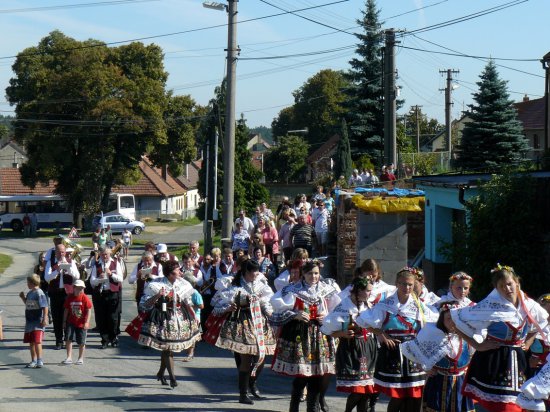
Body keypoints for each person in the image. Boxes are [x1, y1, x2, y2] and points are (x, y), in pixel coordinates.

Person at [450, 264, 550, 412]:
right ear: (496, 288)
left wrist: (528, 342)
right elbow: (456, 320)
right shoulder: (490, 306)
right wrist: (477, 345)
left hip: (519, 361)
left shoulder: (529, 305)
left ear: (517, 282)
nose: (507, 289)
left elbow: (540, 323)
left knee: (521, 404)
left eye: (509, 284)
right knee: (503, 407)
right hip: (495, 361)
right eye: (502, 286)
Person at [356, 267, 438, 412]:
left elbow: (434, 324)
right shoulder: (386, 305)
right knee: (398, 396)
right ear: (396, 284)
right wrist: (381, 333)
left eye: (410, 285)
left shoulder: (419, 306)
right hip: (394, 353)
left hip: (414, 355)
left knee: (415, 396)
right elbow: (363, 321)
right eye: (403, 284)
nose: (407, 287)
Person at [271, 259, 341, 412]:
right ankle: (294, 406)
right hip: (300, 334)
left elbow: (338, 308)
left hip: (320, 334)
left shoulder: (327, 289)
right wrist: (295, 314)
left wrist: (327, 316)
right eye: (310, 273)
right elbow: (277, 306)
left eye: (316, 273)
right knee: (302, 374)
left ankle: (313, 407)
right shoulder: (293, 289)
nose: (314, 277)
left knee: (317, 374)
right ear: (303, 274)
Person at [208, 259, 276, 405]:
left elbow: (267, 303)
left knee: (261, 356)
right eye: (253, 271)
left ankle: (252, 383)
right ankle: (243, 393)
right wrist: (229, 308)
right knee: (246, 358)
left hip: (259, 321)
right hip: (242, 322)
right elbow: (216, 307)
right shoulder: (233, 286)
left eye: (257, 271)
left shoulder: (261, 285)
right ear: (246, 272)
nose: (256, 274)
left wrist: (271, 314)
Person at [126, 261, 201, 388]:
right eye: (178, 270)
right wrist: (157, 296)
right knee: (167, 348)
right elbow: (143, 304)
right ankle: (172, 377)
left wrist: (194, 316)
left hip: (179, 318)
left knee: (167, 348)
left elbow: (187, 302)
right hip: (163, 319)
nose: (180, 272)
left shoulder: (183, 284)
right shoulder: (155, 284)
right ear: (171, 273)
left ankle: (161, 373)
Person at [401, 303, 476, 412]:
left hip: (460, 384)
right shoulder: (432, 335)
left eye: (455, 318)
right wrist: (425, 367)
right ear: (442, 320)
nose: (452, 322)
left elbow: (472, 355)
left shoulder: (466, 336)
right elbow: (413, 352)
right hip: (438, 383)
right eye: (448, 318)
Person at [321, 277, 380, 412]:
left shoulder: (368, 305)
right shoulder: (344, 306)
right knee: (358, 389)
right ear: (359, 290)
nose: (370, 294)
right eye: (367, 291)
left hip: (368, 347)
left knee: (366, 390)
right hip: (351, 348)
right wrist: (342, 333)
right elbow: (327, 329)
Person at [44, 243, 80, 349]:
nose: (61, 254)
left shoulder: (71, 261)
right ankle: (58, 340)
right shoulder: (51, 262)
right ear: (55, 252)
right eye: (59, 252)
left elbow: (77, 276)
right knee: (57, 317)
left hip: (67, 293)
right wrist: (57, 270)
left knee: (69, 317)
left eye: (63, 252)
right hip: (55, 293)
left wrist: (68, 268)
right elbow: (47, 278)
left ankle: (68, 338)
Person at [90, 247, 123, 348]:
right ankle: (104, 340)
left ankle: (113, 338)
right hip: (100, 294)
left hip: (113, 293)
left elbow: (120, 278)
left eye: (107, 254)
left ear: (110, 254)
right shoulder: (97, 264)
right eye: (103, 254)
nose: (105, 256)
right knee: (101, 318)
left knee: (113, 318)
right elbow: (92, 281)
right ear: (100, 254)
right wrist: (99, 279)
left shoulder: (115, 263)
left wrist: (111, 274)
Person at [20, 274, 49, 368]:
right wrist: (23, 298)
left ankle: (40, 360)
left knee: (37, 341)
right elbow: (28, 304)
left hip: (38, 322)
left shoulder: (39, 293)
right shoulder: (30, 293)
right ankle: (33, 360)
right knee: (31, 342)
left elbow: (45, 306)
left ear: (32, 283)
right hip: (29, 322)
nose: (27, 284)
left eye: (28, 282)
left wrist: (45, 318)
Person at [61, 279, 92, 365]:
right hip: (71, 321)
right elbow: (66, 309)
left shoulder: (84, 297)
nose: (80, 290)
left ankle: (80, 358)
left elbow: (89, 310)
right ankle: (69, 357)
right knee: (68, 338)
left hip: (81, 322)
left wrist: (87, 322)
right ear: (74, 288)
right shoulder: (70, 297)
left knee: (81, 341)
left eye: (81, 288)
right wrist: (64, 321)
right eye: (78, 288)